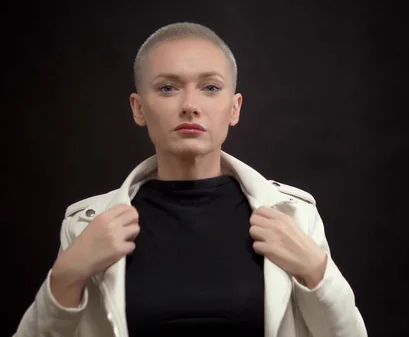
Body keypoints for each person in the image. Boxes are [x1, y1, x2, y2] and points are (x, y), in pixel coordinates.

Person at [13, 22, 367, 337]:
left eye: (210, 88)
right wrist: (64, 278)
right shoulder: (87, 225)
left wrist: (317, 272)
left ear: (234, 108)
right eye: (167, 88)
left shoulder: (293, 215)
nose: (189, 105)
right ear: (138, 108)